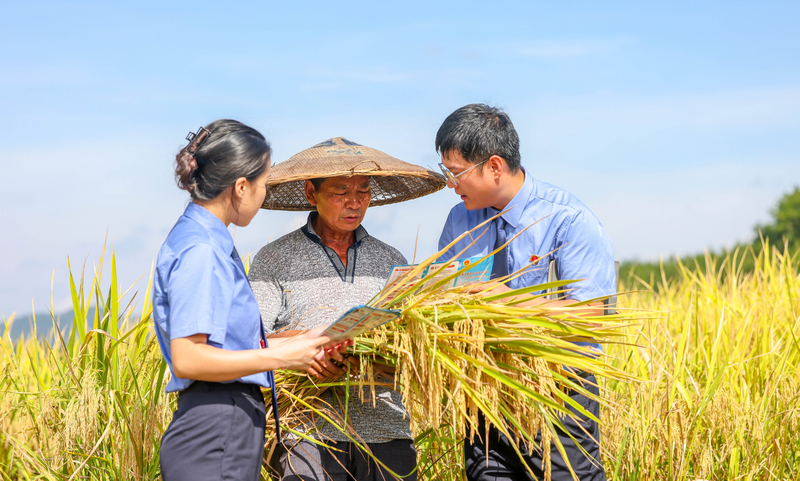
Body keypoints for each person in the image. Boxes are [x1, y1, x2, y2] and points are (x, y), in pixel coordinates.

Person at [153, 120, 342, 481]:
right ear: (241, 187)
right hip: (215, 427)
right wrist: (282, 356)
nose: (264, 196)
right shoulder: (202, 250)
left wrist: (301, 341)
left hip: (224, 423)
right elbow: (188, 356)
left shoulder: (206, 241)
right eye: (263, 185)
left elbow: (226, 346)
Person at [435, 104, 615, 481]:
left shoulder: (568, 220)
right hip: (483, 391)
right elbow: (440, 294)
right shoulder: (459, 220)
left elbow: (589, 318)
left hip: (557, 391)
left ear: (494, 166)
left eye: (456, 173)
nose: (451, 184)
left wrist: (505, 300)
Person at [249, 137, 445, 481]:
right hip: (307, 431)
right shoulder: (274, 259)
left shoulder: (391, 260)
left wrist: (372, 354)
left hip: (386, 428)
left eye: (363, 191)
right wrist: (311, 349)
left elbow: (410, 339)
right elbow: (252, 340)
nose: (354, 203)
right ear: (312, 194)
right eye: (341, 192)